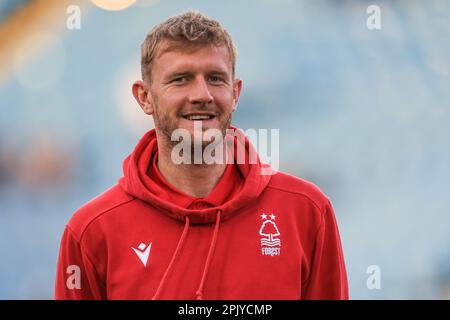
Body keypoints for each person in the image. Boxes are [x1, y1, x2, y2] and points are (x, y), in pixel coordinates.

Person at [55, 11, 349, 300]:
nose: (202, 94)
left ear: (235, 94)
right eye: (181, 79)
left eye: (215, 78)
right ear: (144, 97)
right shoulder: (92, 232)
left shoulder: (307, 212)